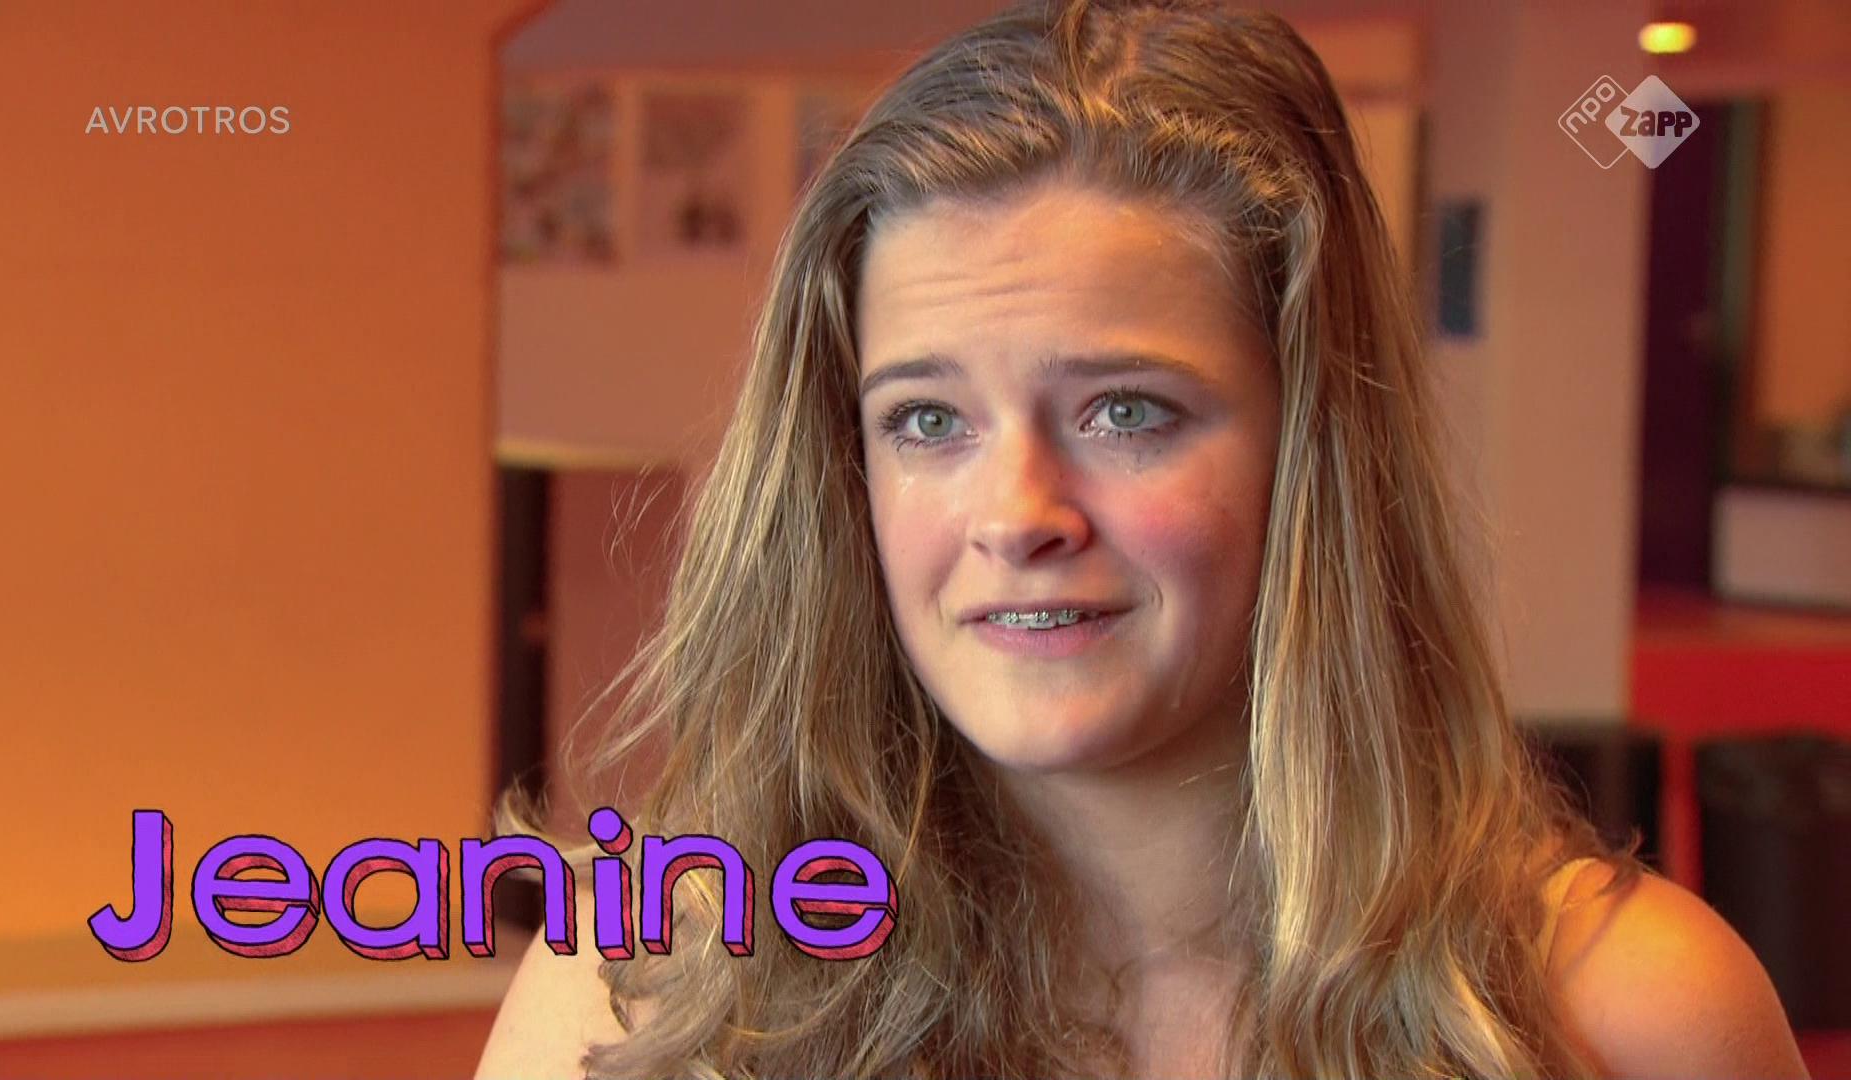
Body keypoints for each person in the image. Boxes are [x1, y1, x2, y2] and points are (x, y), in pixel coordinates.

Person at [478, 1, 1812, 1076]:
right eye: (928, 420)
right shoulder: (646, 981)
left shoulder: (1635, 1015)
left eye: (1126, 411)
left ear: (1313, 451)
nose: (1017, 515)